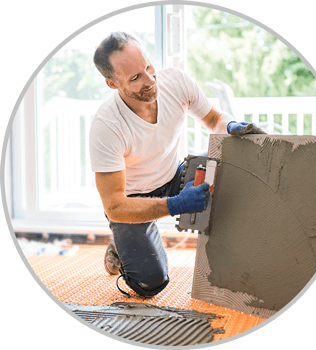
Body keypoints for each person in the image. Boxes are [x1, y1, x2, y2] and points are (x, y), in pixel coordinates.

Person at [89, 31, 266, 297]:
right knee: (150, 284)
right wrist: (176, 205)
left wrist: (228, 125)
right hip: (132, 199)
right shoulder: (106, 125)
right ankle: (121, 241)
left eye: (148, 67)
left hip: (174, 177)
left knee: (228, 174)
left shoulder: (176, 82)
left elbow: (213, 118)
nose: (150, 81)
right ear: (113, 84)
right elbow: (114, 205)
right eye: (136, 78)